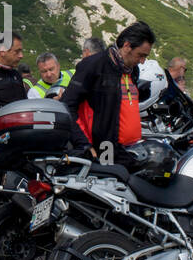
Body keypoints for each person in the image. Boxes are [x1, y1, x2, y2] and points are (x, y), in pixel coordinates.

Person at [61, 21, 154, 163]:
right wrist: (84, 144)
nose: (142, 61)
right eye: (140, 55)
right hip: (104, 151)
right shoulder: (93, 65)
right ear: (127, 45)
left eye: (145, 56)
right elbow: (67, 106)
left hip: (128, 151)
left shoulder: (132, 70)